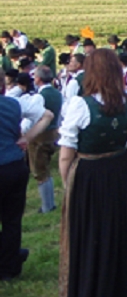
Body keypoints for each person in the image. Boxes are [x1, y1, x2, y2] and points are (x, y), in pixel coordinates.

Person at [56, 48, 127, 297]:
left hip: (91, 175)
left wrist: (69, 184)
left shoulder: (81, 105)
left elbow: (66, 153)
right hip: (122, 171)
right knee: (123, 236)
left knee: (92, 239)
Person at [1, 79, 52, 282]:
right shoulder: (14, 104)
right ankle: (8, 267)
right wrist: (27, 138)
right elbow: (47, 115)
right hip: (13, 166)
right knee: (12, 220)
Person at [29, 66, 62, 213]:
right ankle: (49, 203)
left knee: (40, 170)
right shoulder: (57, 93)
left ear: (38, 79)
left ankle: (47, 205)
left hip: (40, 134)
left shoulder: (39, 97)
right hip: (53, 132)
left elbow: (33, 117)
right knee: (45, 168)